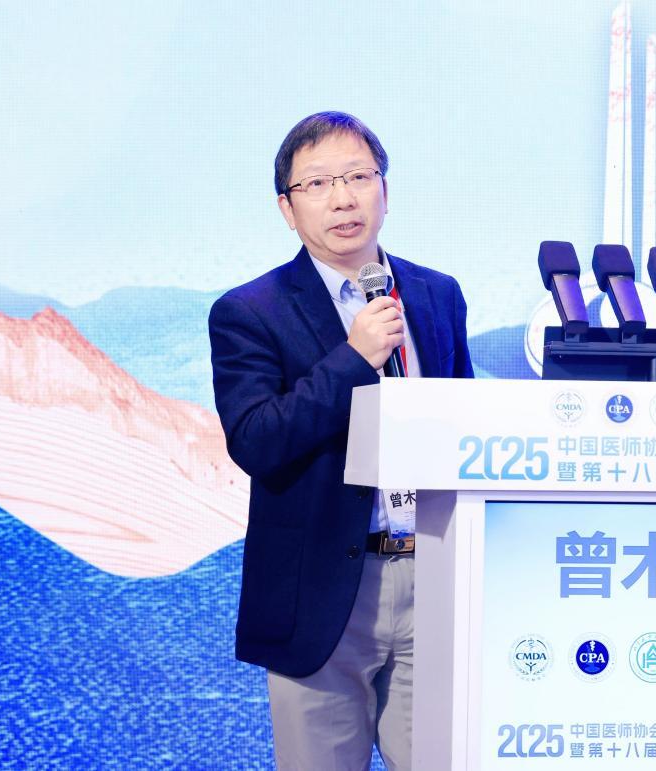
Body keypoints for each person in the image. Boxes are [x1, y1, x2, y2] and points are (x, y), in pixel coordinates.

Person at [208, 111, 473, 770]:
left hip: (433, 578)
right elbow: (256, 439)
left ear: (385, 190)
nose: (343, 198)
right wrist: (353, 359)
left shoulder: (437, 295)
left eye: (358, 177)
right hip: (321, 592)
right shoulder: (250, 312)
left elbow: (465, 423)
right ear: (287, 208)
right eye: (318, 183)